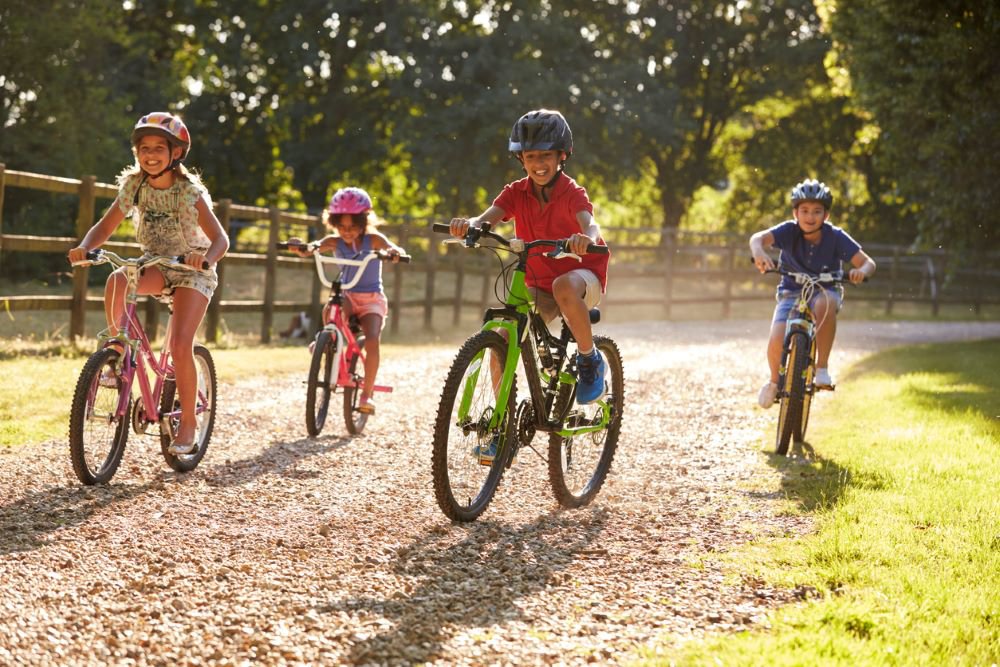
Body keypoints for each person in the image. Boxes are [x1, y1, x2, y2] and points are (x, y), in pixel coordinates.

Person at [68, 112, 229, 454]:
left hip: (191, 270)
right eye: (144, 147)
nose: (150, 154)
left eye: (159, 147)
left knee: (182, 344)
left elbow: (221, 239)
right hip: (155, 263)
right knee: (117, 280)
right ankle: (117, 351)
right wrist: (86, 247)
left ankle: (187, 425)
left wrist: (206, 259)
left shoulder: (189, 192)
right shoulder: (134, 185)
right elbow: (106, 224)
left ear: (176, 154)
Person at [449, 109, 611, 408]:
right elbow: (485, 219)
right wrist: (469, 225)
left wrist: (586, 237)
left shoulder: (571, 192)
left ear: (562, 155)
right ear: (521, 159)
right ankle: (501, 423)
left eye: (546, 155)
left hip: (581, 275)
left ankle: (590, 360)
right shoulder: (516, 192)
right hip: (538, 280)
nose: (538, 163)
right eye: (531, 156)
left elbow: (591, 223)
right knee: (502, 338)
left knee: (563, 286)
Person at [750, 178, 876, 409]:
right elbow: (757, 238)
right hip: (791, 291)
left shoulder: (836, 236)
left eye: (817, 211)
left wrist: (860, 271)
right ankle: (774, 382)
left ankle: (822, 368)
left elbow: (868, 262)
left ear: (826, 216)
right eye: (805, 211)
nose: (810, 217)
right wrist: (758, 252)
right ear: (795, 212)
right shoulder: (788, 231)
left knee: (824, 303)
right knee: (777, 337)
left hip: (825, 289)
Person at [289, 187, 406, 415]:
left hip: (372, 299)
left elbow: (393, 247)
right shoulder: (334, 242)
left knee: (372, 339)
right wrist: (301, 246)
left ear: (363, 223)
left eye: (352, 227)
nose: (346, 232)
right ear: (334, 223)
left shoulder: (372, 240)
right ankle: (326, 338)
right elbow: (312, 247)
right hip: (349, 295)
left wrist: (395, 252)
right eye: (341, 227)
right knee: (333, 304)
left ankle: (367, 394)